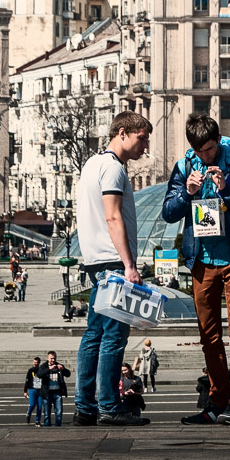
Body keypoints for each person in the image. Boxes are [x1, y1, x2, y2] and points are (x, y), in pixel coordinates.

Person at [162, 113, 230, 427]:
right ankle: (217, 403)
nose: (206, 156)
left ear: (218, 140)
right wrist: (187, 192)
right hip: (201, 262)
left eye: (210, 148)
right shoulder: (184, 168)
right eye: (200, 151)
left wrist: (226, 187)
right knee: (209, 337)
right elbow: (168, 212)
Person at [73, 111, 152, 427]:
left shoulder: (91, 164)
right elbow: (113, 217)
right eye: (141, 138)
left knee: (93, 335)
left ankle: (85, 407)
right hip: (113, 263)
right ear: (122, 133)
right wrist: (129, 265)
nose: (144, 146)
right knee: (113, 339)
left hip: (95, 262)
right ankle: (108, 406)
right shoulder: (113, 169)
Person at [39, 351, 71, 427]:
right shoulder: (44, 366)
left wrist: (63, 369)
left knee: (59, 413)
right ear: (48, 358)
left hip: (57, 393)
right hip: (47, 393)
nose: (53, 360)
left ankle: (58, 427)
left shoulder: (59, 365)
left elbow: (68, 374)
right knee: (47, 414)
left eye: (54, 358)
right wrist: (49, 369)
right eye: (51, 358)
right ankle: (47, 428)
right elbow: (39, 375)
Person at [24, 357, 43, 426]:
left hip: (40, 390)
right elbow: (27, 381)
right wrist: (25, 391)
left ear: (39, 363)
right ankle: (28, 413)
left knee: (40, 406)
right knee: (32, 404)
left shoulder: (41, 370)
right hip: (32, 389)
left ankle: (37, 420)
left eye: (37, 362)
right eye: (34, 362)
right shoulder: (30, 370)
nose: (35, 363)